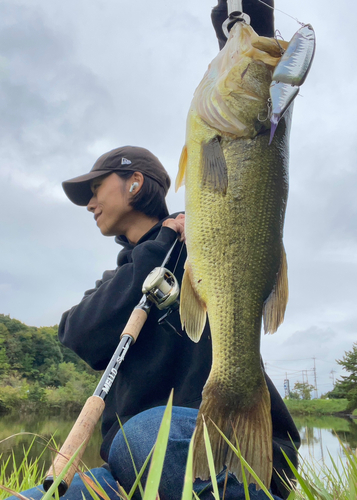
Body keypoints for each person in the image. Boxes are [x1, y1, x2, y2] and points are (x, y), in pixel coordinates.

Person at [8, 3, 300, 500]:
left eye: (95, 189)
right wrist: (158, 243)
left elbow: (257, 141)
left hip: (231, 447)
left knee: (142, 436)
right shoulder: (123, 278)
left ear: (135, 182)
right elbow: (77, 336)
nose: (89, 203)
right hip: (130, 473)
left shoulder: (204, 240)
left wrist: (254, 29)